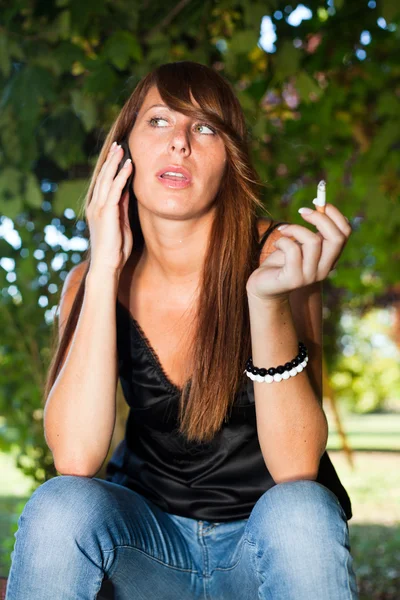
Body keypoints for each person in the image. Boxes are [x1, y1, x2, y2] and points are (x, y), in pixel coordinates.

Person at [5, 60, 359, 599]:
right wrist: (104, 266)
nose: (179, 144)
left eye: (204, 128)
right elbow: (75, 458)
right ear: (121, 153)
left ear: (229, 161)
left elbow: (296, 466)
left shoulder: (278, 258)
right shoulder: (90, 281)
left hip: (261, 552)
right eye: (159, 122)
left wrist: (264, 301)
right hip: (148, 553)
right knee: (60, 505)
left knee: (303, 512)